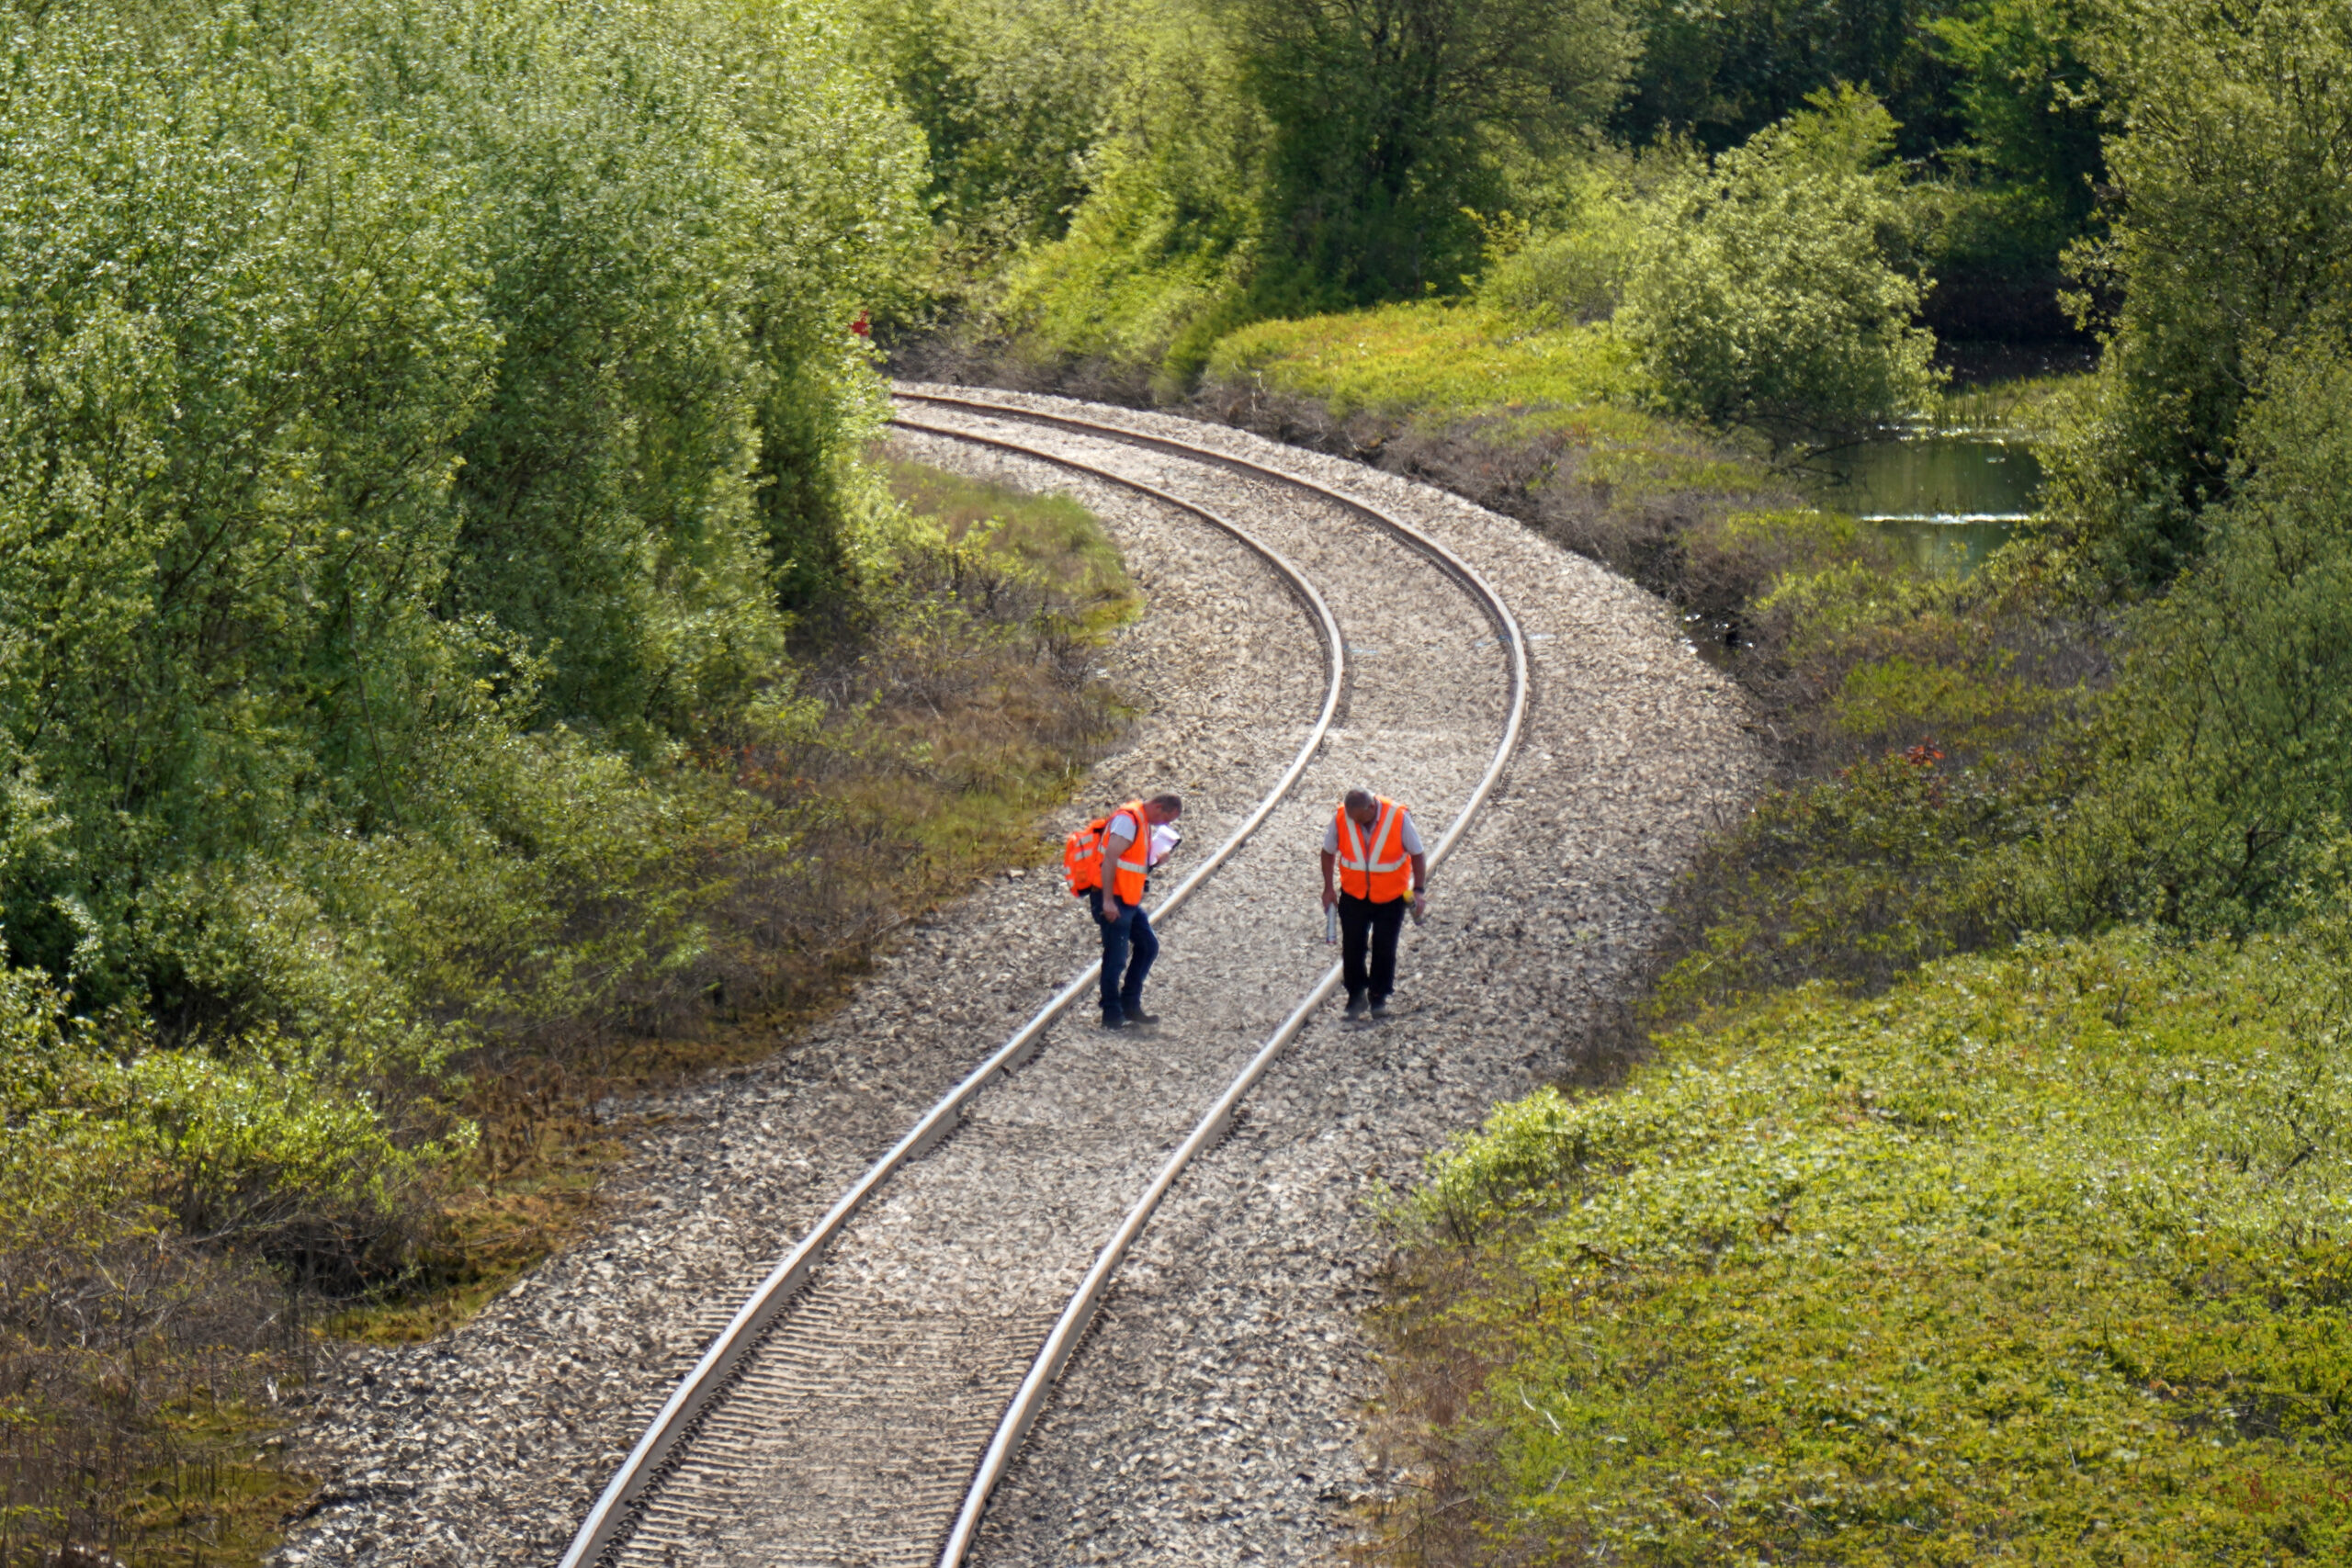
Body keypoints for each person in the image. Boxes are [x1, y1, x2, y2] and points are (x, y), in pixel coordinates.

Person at [1075, 793, 1182, 1029]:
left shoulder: (1142, 821)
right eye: (1166, 818)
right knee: (1116, 957)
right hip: (1113, 898)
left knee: (1147, 946)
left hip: (1128, 900)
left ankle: (1130, 1005)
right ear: (1157, 806)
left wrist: (1154, 860)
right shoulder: (1128, 820)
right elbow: (1110, 858)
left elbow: (1130, 863)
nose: (1164, 825)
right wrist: (1107, 902)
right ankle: (1112, 1015)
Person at [1319, 788, 1427, 1020]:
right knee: (1352, 948)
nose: (1356, 823)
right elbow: (1327, 852)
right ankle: (1356, 996)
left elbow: (1418, 854)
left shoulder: (1397, 817)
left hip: (1391, 897)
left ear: (1372, 808)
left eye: (1360, 819)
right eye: (1353, 819)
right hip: (1354, 894)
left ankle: (1379, 997)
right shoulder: (1341, 817)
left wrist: (1418, 890)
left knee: (1385, 948)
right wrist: (1328, 888)